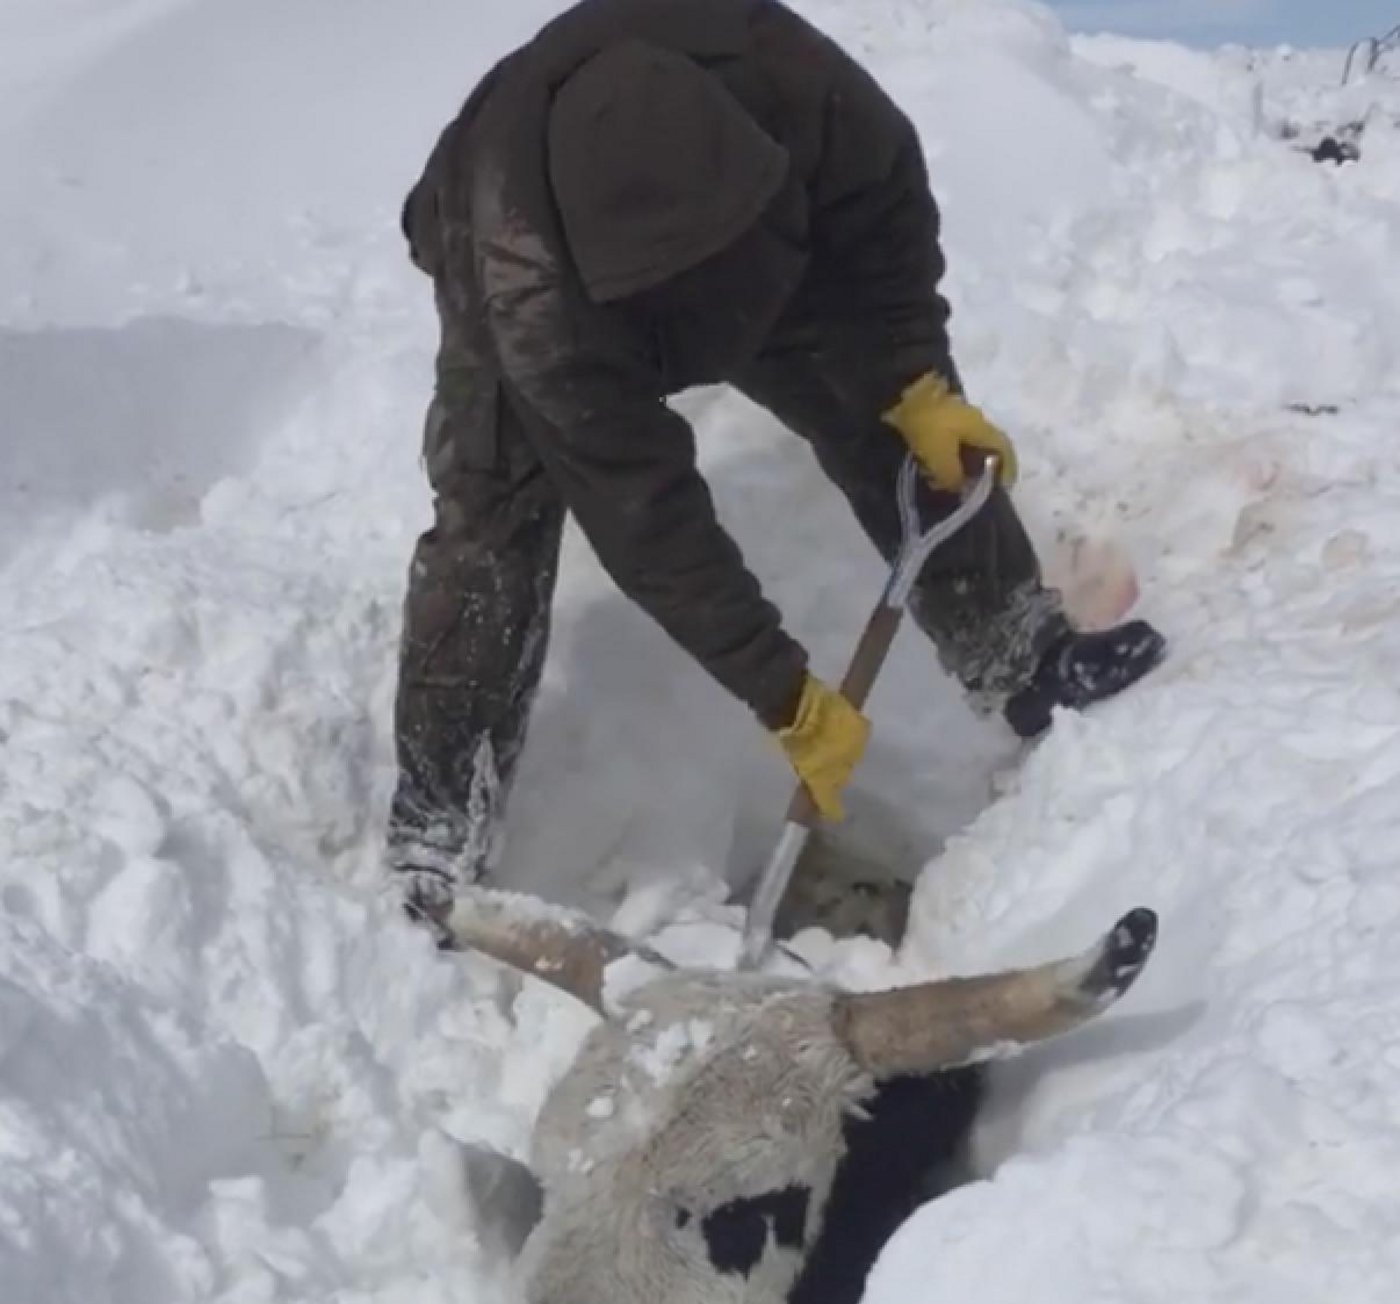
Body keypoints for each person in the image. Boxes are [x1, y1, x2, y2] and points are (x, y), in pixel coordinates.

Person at [386, 0, 1166, 929]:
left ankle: (1020, 655)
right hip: (522, 243)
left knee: (881, 400)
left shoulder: (788, 81)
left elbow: (883, 213)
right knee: (492, 518)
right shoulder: (532, 294)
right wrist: (781, 689)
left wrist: (917, 377)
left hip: (756, 232)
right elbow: (643, 510)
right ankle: (438, 826)